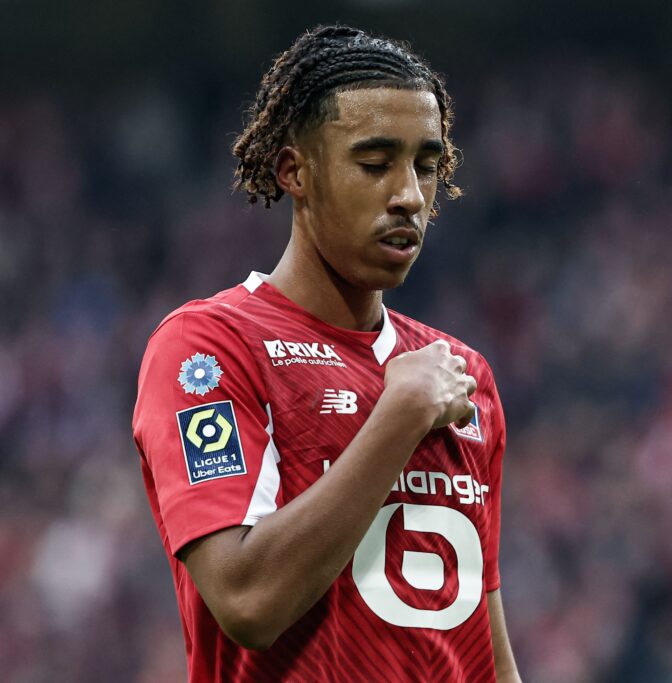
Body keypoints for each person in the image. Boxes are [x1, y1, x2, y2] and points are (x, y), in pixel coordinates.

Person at [132, 24, 520, 682]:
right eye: (375, 163)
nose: (409, 196)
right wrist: (400, 413)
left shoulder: (462, 375)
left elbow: (483, 646)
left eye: (426, 165)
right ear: (295, 172)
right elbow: (248, 598)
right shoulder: (212, 346)